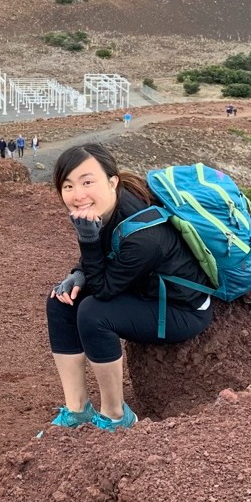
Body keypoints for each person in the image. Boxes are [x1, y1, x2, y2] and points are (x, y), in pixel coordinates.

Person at [46, 143, 213, 432]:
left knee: (94, 313)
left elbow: (105, 290)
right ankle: (77, 410)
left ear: (112, 181)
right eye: (68, 185)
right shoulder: (114, 205)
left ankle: (116, 416)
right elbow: (109, 253)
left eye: (88, 182)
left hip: (182, 310)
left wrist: (87, 242)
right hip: (145, 290)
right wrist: (78, 272)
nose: (77, 194)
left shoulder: (145, 236)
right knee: (60, 300)